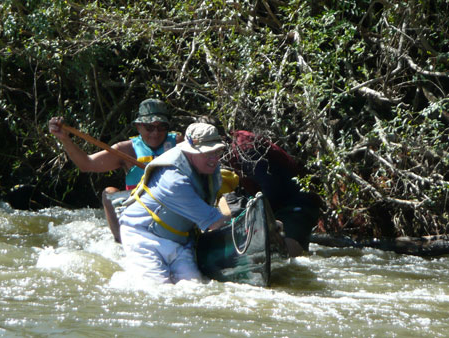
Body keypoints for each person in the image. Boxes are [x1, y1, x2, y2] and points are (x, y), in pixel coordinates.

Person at [48, 98, 182, 243]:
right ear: (138, 127)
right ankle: (120, 239)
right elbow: (86, 164)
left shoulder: (180, 143)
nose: (155, 133)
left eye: (161, 127)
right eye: (149, 127)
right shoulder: (126, 150)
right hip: (139, 206)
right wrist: (65, 139)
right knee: (108, 193)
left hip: (171, 204)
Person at [118, 122, 230, 284]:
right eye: (207, 153)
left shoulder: (211, 168)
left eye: (216, 151)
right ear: (190, 151)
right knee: (159, 291)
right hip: (143, 237)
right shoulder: (174, 181)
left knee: (196, 288)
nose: (214, 158)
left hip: (180, 242)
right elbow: (215, 222)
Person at [225, 130, 321, 256]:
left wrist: (267, 221)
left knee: (290, 253)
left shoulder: (245, 147)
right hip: (286, 202)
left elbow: (269, 186)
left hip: (297, 204)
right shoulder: (239, 146)